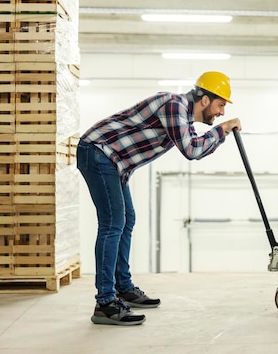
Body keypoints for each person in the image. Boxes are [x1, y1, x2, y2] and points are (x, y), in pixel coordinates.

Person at [77, 71, 242, 325]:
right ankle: (105, 303)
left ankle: (123, 287)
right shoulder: (175, 105)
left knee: (126, 219)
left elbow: (192, 143)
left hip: (113, 162)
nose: (221, 112)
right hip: (99, 153)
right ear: (205, 100)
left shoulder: (183, 116)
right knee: (113, 224)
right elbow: (191, 150)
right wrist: (222, 130)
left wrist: (220, 132)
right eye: (221, 104)